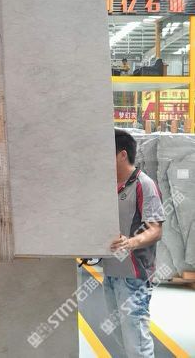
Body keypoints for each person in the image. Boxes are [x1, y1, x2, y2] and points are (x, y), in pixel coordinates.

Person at [102, 129, 165, 358]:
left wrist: (130, 242)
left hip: (134, 276)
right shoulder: (109, 186)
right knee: (120, 338)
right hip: (111, 273)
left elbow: (155, 230)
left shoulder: (143, 184)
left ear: (122, 154)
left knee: (136, 344)